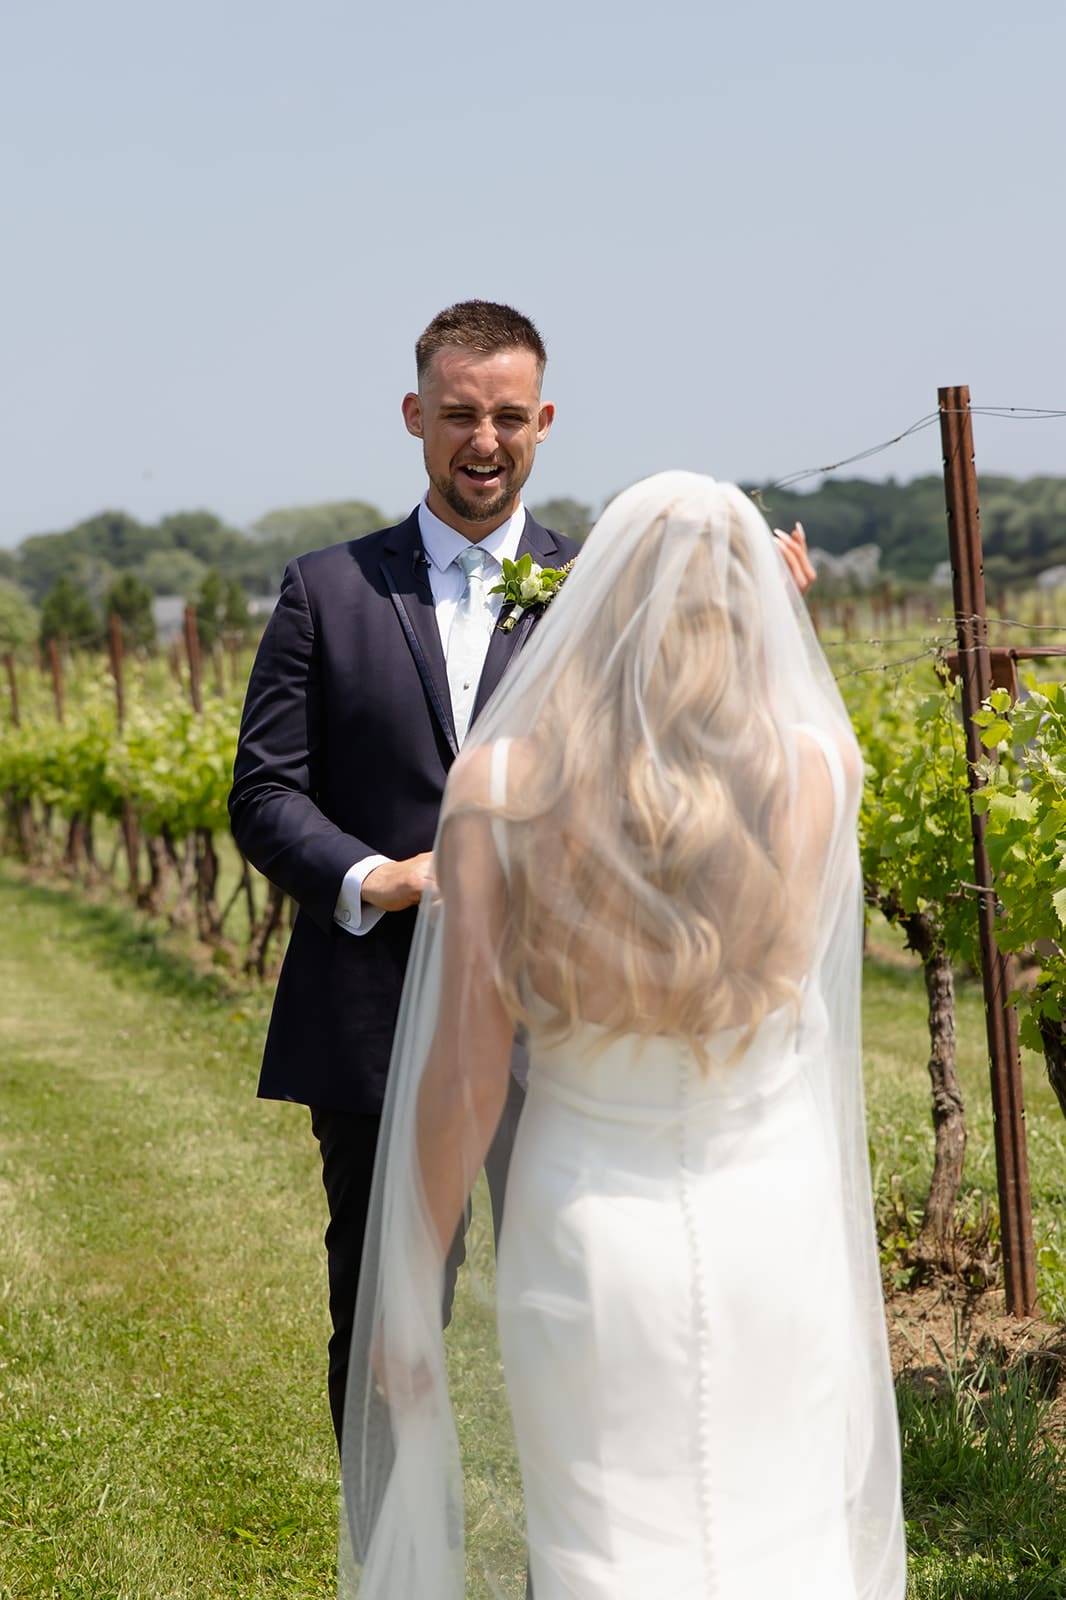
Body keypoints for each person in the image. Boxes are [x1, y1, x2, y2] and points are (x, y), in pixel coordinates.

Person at [340, 472, 906, 1598]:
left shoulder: (505, 787)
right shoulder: (817, 771)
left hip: (589, 1234)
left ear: (592, 600)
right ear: (760, 611)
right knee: (782, 1535)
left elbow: (464, 1077)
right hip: (772, 1229)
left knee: (601, 1549)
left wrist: (406, 1282)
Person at [229, 300, 582, 1451]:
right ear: (414, 415)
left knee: (565, 1310)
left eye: (507, 416)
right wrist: (372, 875)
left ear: (543, 420)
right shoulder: (324, 590)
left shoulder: (596, 598)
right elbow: (265, 795)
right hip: (377, 1019)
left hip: (559, 1022)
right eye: (459, 414)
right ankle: (389, 1560)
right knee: (386, 1316)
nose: (485, 440)